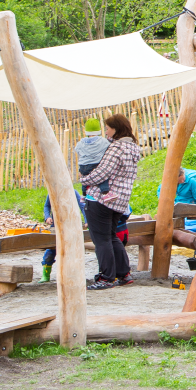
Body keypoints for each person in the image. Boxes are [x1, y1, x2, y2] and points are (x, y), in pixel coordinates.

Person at [80, 113, 141, 289]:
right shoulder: (133, 148)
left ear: (116, 129)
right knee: (111, 236)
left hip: (101, 199)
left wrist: (83, 180)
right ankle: (123, 273)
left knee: (101, 240)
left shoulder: (116, 148)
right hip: (119, 201)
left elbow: (102, 172)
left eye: (107, 128)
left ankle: (106, 277)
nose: (106, 132)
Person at [38, 193, 87, 283]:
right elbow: (47, 206)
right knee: (50, 251)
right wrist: (47, 217)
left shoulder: (73, 192)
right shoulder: (52, 193)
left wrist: (86, 220)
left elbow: (83, 206)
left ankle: (72, 275)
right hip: (56, 226)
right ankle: (46, 274)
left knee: (71, 252)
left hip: (71, 225)